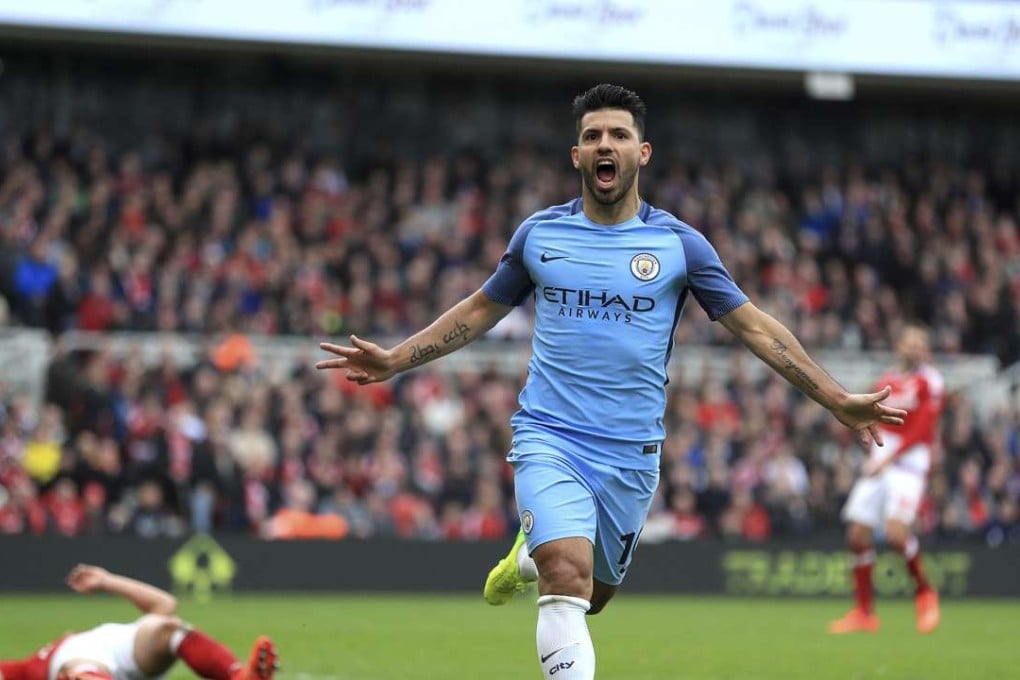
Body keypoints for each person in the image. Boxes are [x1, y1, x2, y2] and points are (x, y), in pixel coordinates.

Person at [316, 83, 906, 679]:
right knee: (567, 575)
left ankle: (527, 559)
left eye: (619, 135)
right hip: (549, 436)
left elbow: (754, 327)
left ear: (641, 152)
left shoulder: (678, 245)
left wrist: (836, 399)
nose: (605, 144)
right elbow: (478, 311)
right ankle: (545, 555)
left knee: (592, 596)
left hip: (630, 454)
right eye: (592, 135)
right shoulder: (540, 235)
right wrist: (396, 360)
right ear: (576, 154)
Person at [828, 324, 944, 634]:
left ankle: (925, 593)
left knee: (895, 534)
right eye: (911, 342)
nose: (915, 348)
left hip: (908, 464)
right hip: (880, 460)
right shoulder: (887, 381)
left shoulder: (930, 380)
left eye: (920, 343)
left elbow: (923, 430)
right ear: (900, 346)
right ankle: (864, 613)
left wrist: (888, 460)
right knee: (857, 534)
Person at [0, 564, 277, 680]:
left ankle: (240, 676)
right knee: (80, 670)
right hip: (78, 663)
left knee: (169, 628)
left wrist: (106, 581)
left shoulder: (100, 636)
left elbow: (164, 604)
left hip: (122, 647)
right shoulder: (27, 667)